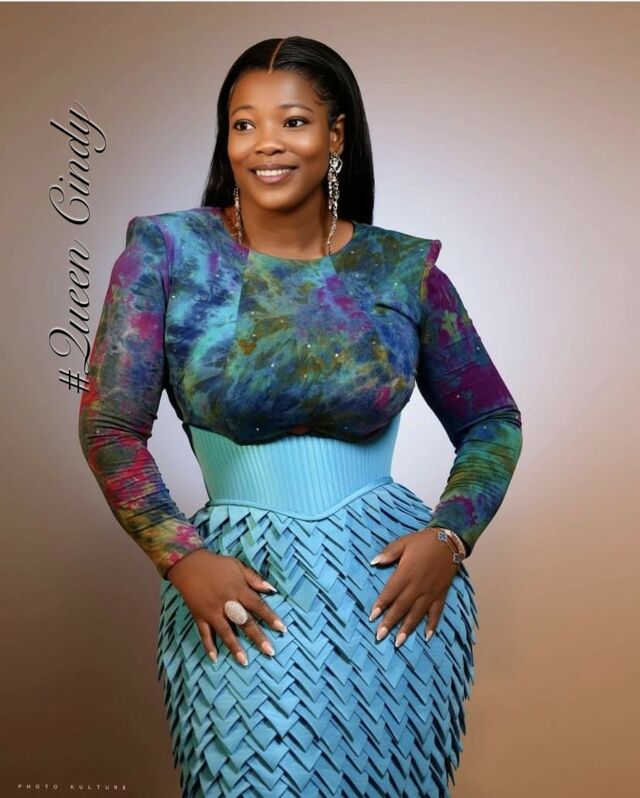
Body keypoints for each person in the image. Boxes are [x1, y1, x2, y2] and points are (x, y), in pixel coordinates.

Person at [78, 35, 523, 798]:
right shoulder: (167, 253)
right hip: (240, 587)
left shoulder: (401, 269)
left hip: (393, 599)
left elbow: (493, 420)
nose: (266, 144)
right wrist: (181, 557)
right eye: (243, 124)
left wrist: (450, 537)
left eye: (292, 121)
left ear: (336, 134)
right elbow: (110, 428)